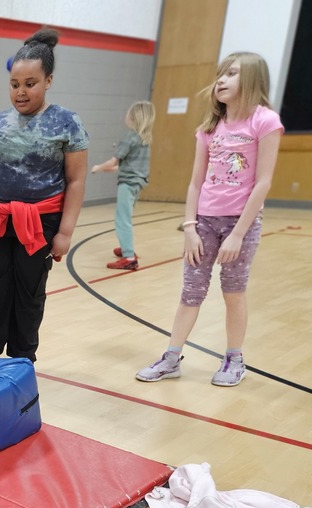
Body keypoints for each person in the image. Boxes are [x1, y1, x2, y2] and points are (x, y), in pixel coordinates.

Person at [136, 52, 282, 387]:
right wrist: (189, 226)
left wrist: (238, 234)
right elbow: (195, 182)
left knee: (233, 291)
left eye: (231, 73)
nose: (221, 80)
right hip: (204, 221)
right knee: (191, 291)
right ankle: (171, 357)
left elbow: (263, 182)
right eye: (221, 73)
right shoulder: (209, 128)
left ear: (252, 80)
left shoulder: (264, 121)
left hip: (239, 225)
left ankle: (234, 359)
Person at [0, 28, 89, 362]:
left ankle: (21, 360)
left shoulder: (67, 123)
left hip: (40, 222)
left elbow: (75, 182)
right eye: (14, 84)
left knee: (29, 293)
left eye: (30, 84)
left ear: (48, 80)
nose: (20, 92)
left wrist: (64, 232)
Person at [91, 100, 155, 270]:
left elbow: (114, 160)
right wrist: (109, 170)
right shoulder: (144, 139)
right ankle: (127, 247)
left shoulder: (131, 137)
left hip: (128, 184)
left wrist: (98, 168)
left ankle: (129, 257)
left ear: (133, 117)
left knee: (122, 220)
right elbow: (126, 166)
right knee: (126, 216)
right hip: (138, 183)